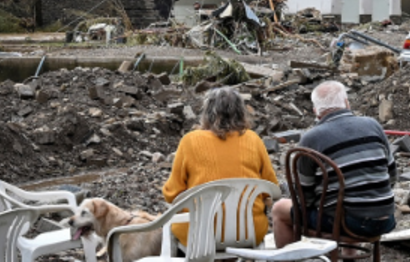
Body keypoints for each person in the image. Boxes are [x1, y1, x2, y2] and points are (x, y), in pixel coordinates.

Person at [272, 81, 397, 245]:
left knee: (280, 210)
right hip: (386, 219)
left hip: (348, 224)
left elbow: (303, 197)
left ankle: (291, 257)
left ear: (316, 111)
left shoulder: (311, 139)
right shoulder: (373, 125)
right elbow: (392, 176)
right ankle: (348, 254)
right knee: (347, 199)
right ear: (347, 103)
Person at [162, 86, 278, 247]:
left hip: (199, 236)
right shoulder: (254, 140)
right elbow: (271, 190)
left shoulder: (190, 141)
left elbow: (172, 194)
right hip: (248, 232)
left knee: (172, 226)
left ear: (207, 112)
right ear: (241, 112)